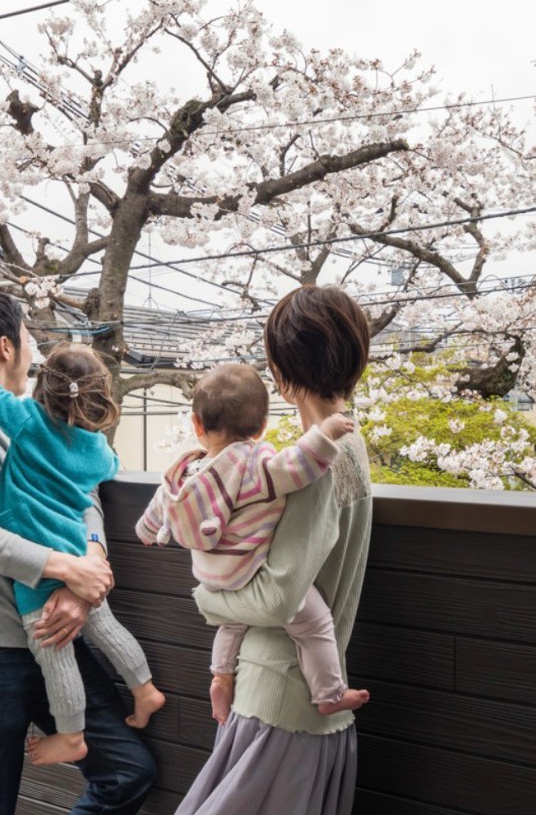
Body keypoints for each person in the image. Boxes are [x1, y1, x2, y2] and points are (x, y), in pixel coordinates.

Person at [0, 287, 156, 815]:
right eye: (27, 337)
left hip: (59, 627)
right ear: (5, 347)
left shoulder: (44, 418)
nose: (34, 349)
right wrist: (63, 568)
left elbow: (84, 497)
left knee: (129, 771)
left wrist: (90, 566)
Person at [175, 285, 373, 815]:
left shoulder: (318, 464)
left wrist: (207, 600)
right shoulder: (353, 450)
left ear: (282, 372)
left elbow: (275, 597)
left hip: (276, 696)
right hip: (305, 696)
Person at [0, 342, 166, 766]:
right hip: (79, 556)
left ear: (44, 386)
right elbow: (110, 473)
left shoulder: (26, 421)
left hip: (37, 567)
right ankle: (144, 689)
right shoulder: (98, 451)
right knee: (107, 629)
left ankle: (71, 735)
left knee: (54, 654)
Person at [135, 362, 368, 726]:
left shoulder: (184, 472)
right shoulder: (254, 465)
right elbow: (299, 464)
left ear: (197, 425)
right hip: (247, 567)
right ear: (262, 427)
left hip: (210, 573)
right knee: (315, 622)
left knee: (232, 622)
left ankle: (221, 677)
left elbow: (159, 506)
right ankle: (329, 694)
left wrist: (148, 533)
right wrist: (325, 433)